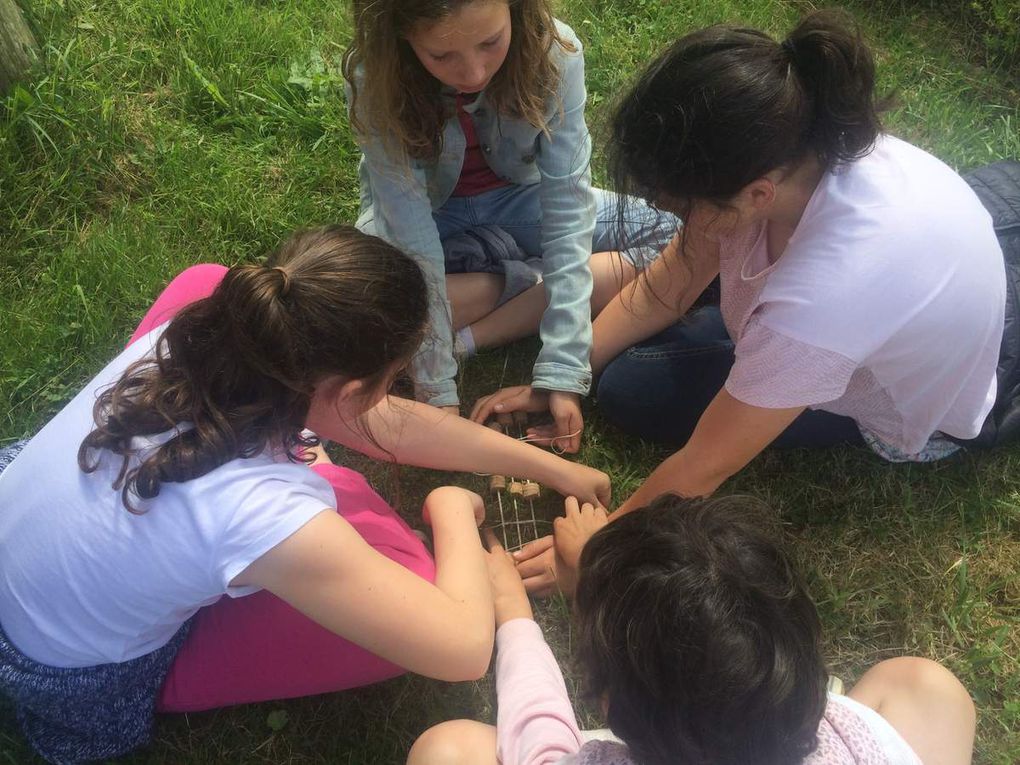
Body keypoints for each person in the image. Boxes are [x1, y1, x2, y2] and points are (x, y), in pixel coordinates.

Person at [0, 225, 609, 764]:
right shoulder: (264, 514)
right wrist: (450, 508)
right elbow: (463, 649)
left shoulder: (209, 319)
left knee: (200, 278)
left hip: (22, 555)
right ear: (347, 389)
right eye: (390, 380)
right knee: (419, 580)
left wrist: (552, 469)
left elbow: (381, 422)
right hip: (72, 674)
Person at [511, 10, 1006, 593]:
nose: (673, 219)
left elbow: (705, 464)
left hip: (894, 410)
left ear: (755, 194)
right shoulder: (792, 147)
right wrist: (570, 369)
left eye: (679, 208)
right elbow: (674, 277)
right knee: (634, 359)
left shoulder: (820, 304)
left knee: (632, 390)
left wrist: (599, 551)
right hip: (903, 299)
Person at [408, 494, 976, 765]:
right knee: (924, 685)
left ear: (609, 704)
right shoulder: (842, 735)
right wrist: (605, 581)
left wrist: (512, 610)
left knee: (448, 748)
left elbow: (538, 731)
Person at [344, 0, 674, 452]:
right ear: (401, 37)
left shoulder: (556, 52)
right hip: (428, 216)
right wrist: (437, 391)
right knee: (351, 301)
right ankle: (529, 279)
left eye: (490, 42)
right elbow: (411, 236)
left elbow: (567, 203)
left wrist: (563, 363)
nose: (475, 73)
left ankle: (477, 320)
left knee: (670, 234)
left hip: (521, 200)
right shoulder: (373, 77)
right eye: (442, 56)